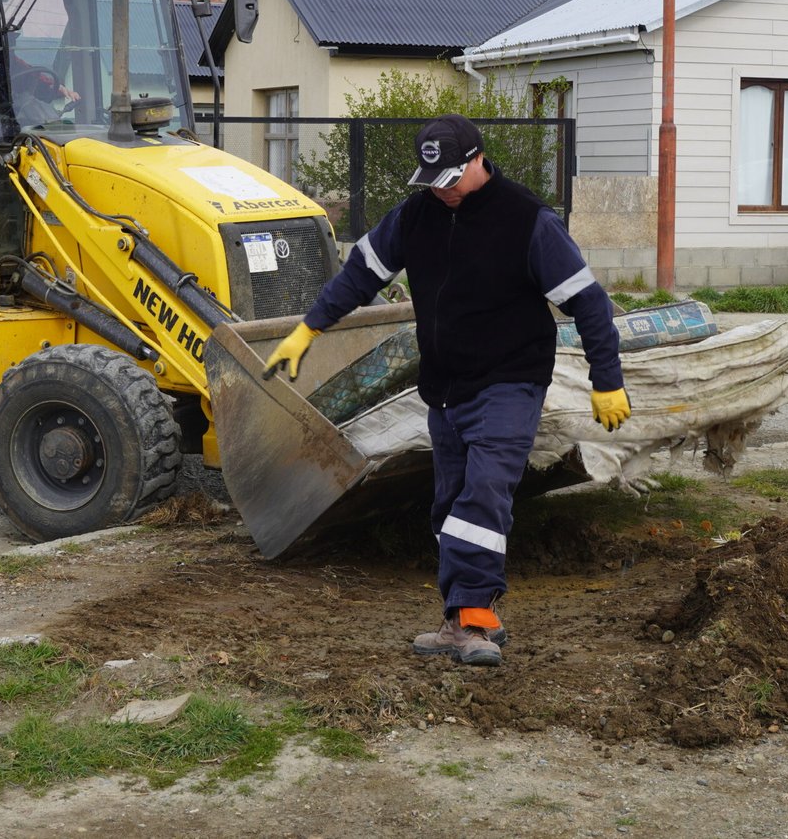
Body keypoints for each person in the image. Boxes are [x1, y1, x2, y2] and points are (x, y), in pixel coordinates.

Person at [264, 114, 631, 666]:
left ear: (480, 159)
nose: (445, 190)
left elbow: (590, 304)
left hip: (511, 381)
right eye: (434, 180)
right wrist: (309, 328)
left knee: (483, 494)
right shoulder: (416, 216)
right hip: (444, 389)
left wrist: (608, 381)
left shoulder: (527, 221)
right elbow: (360, 274)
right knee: (449, 506)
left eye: (453, 178)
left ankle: (471, 621)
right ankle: (463, 613)